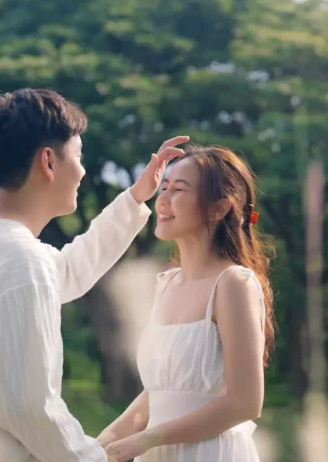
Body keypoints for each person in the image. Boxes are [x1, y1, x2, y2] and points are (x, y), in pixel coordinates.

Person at [0, 87, 188, 461]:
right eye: (78, 156)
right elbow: (27, 406)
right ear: (49, 161)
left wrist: (134, 199)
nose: (82, 171)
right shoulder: (17, 257)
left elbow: (67, 270)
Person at [99, 145, 276, 462]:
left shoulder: (233, 283)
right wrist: (101, 443)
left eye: (179, 189)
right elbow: (159, 394)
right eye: (164, 187)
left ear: (218, 208)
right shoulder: (165, 284)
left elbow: (246, 402)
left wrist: (150, 438)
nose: (163, 199)